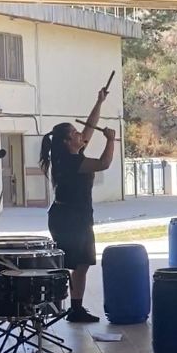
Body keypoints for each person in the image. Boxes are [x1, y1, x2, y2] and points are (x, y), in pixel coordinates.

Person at [39, 85, 117, 323]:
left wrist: (99, 102)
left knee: (81, 263)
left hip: (75, 215)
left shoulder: (72, 155)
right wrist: (111, 140)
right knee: (73, 262)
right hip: (69, 218)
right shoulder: (71, 162)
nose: (80, 135)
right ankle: (59, 304)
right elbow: (104, 163)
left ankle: (75, 308)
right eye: (74, 133)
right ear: (66, 141)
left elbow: (89, 127)